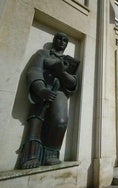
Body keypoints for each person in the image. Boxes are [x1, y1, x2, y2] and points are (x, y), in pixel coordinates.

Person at [19, 32, 79, 169]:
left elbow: (74, 82)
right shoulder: (43, 53)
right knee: (36, 120)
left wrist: (62, 72)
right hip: (44, 89)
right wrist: (40, 89)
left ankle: (51, 154)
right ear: (53, 40)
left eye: (65, 39)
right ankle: (31, 156)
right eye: (59, 38)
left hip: (59, 92)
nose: (61, 41)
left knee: (61, 121)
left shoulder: (69, 61)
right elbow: (34, 70)